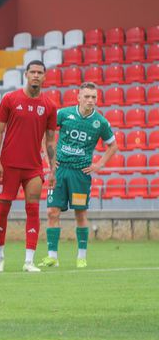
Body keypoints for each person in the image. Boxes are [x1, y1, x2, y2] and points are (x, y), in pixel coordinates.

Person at [37, 82, 118, 269]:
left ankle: (81, 257)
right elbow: (44, 132)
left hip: (80, 174)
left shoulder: (100, 122)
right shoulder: (64, 114)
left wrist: (99, 164)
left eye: (94, 97)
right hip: (58, 171)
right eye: (87, 96)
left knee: (80, 213)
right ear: (78, 97)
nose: (90, 100)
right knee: (51, 212)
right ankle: (52, 257)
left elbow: (113, 146)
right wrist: (49, 158)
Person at [0, 60, 57, 273]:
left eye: (40, 73)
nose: (36, 76)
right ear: (26, 75)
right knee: (2, 210)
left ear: (45, 77)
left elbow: (49, 141)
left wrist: (52, 167)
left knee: (33, 210)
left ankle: (29, 261)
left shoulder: (49, 106)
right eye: (33, 72)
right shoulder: (10, 99)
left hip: (33, 167)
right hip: (9, 165)